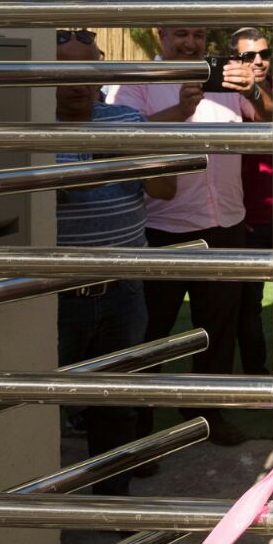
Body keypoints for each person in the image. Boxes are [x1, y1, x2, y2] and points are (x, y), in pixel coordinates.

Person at [110, 26, 260, 448]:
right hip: (163, 228)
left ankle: (208, 414)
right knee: (152, 333)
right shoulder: (137, 82)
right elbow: (121, 137)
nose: (190, 43)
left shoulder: (227, 80)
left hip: (226, 224)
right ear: (161, 35)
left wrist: (254, 90)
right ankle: (138, 429)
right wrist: (179, 110)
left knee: (218, 330)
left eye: (197, 35)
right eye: (181, 35)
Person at [54, 30, 177, 494]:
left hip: (123, 289)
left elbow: (167, 189)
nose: (80, 84)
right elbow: (44, 197)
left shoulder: (126, 118)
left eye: (89, 71)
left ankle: (113, 505)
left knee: (117, 402)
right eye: (65, 72)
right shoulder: (26, 126)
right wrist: (99, 163)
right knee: (41, 403)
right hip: (52, 293)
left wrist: (132, 154)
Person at [232, 27, 273, 376]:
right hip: (246, 220)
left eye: (264, 54)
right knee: (248, 306)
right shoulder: (222, 96)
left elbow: (271, 113)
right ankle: (256, 379)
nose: (258, 61)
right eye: (249, 55)